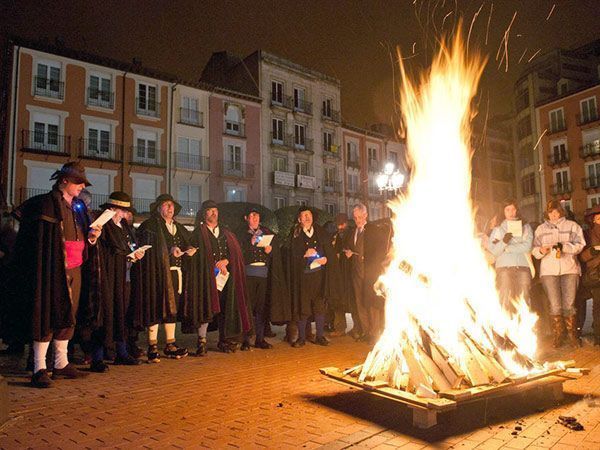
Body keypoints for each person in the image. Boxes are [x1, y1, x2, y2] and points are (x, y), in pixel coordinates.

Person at [8, 162, 102, 387]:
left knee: (68, 314)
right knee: (46, 315)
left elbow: (82, 234)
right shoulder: (46, 204)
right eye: (78, 182)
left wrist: (91, 238)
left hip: (76, 268)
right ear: (64, 181)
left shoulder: (78, 207)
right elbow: (36, 240)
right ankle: (39, 367)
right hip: (51, 268)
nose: (81, 186)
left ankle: (61, 363)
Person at [89, 192, 146, 372]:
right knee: (103, 315)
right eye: (120, 210)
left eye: (123, 211)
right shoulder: (103, 225)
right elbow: (98, 248)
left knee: (121, 314)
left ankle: (121, 351)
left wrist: (136, 254)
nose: (122, 214)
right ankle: (97, 357)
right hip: (107, 277)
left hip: (124, 278)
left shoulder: (124, 227)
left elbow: (129, 247)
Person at [186, 200, 252, 354]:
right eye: (210, 211)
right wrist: (210, 263)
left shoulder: (226, 233)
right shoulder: (198, 233)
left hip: (226, 278)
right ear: (204, 214)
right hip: (207, 278)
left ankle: (225, 340)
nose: (214, 213)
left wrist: (226, 261)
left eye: (215, 210)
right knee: (206, 308)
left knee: (225, 309)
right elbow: (192, 252)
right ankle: (201, 342)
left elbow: (235, 252)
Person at [136, 194, 193, 362]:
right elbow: (146, 249)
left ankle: (170, 344)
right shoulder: (149, 226)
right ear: (159, 207)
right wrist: (168, 250)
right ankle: (152, 346)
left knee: (172, 307)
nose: (170, 208)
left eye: (172, 205)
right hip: (157, 273)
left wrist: (189, 249)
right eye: (167, 205)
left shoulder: (179, 227)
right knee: (155, 305)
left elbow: (186, 243)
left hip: (176, 273)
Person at [533, 200, 585, 348]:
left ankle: (572, 335)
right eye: (551, 212)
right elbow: (534, 250)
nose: (554, 215)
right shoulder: (540, 229)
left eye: (556, 212)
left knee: (569, 304)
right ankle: (558, 335)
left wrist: (565, 247)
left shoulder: (572, 226)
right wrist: (541, 251)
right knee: (555, 305)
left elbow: (580, 245)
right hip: (549, 271)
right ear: (547, 213)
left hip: (569, 269)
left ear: (561, 212)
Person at [236, 207, 290, 349]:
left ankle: (260, 338)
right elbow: (237, 254)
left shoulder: (267, 233)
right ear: (246, 218)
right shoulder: (241, 234)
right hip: (248, 275)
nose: (255, 218)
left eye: (257, 216)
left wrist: (270, 250)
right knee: (248, 308)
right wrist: (249, 244)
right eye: (252, 216)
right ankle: (246, 339)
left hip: (263, 275)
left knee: (261, 308)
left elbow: (275, 254)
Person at [288, 206, 341, 347]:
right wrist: (304, 255)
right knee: (303, 307)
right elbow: (291, 254)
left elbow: (328, 251)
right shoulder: (295, 233)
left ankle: (319, 336)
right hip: (303, 277)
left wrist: (326, 259)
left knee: (319, 306)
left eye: (309, 215)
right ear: (299, 219)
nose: (307, 217)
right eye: (304, 215)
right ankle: (301, 338)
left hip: (319, 276)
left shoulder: (320, 232)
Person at [488, 200, 534, 311]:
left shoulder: (525, 227)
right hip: (504, 268)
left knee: (524, 299)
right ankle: (505, 325)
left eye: (513, 209)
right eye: (507, 209)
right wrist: (504, 241)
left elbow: (527, 246)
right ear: (503, 212)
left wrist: (507, 248)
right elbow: (493, 250)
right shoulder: (498, 229)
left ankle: (524, 325)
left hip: (522, 267)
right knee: (505, 298)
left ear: (517, 210)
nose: (511, 212)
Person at [579, 205, 600, 345]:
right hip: (596, 274)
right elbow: (582, 256)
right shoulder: (587, 234)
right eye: (598, 218)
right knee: (598, 306)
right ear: (593, 220)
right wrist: (593, 251)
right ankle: (598, 336)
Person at [327, 213, 351, 337]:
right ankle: (337, 326)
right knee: (335, 300)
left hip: (345, 273)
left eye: (342, 224)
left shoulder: (349, 234)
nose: (340, 226)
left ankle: (341, 327)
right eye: (338, 224)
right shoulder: (335, 235)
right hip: (335, 272)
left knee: (341, 301)